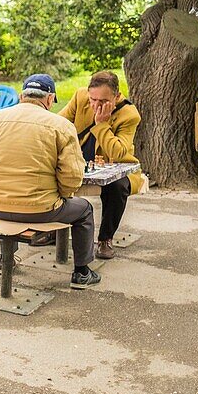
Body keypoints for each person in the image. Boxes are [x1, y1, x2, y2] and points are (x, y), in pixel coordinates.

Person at [0, 75, 101, 289]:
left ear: (22, 96)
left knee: (9, 201)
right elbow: (72, 177)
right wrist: (62, 195)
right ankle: (82, 272)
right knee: (84, 209)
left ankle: (6, 259)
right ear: (50, 99)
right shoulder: (61, 125)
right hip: (41, 210)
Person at [58, 70, 144, 260]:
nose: (96, 105)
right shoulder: (81, 97)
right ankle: (49, 229)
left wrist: (101, 124)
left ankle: (105, 239)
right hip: (80, 159)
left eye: (104, 102)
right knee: (50, 172)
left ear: (116, 96)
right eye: (93, 100)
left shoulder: (129, 114)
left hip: (114, 164)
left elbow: (119, 153)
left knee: (118, 186)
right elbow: (58, 124)